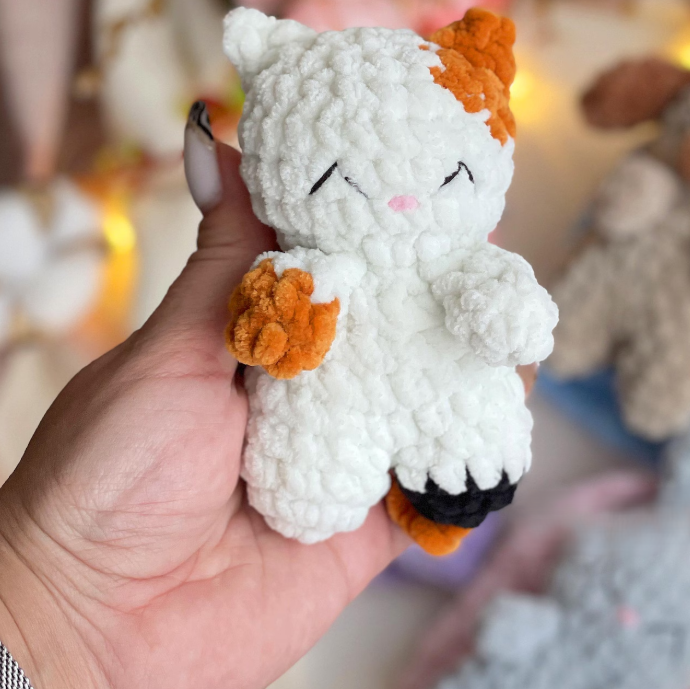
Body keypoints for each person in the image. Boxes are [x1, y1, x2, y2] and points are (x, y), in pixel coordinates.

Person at [0, 109, 536, 689]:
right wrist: (55, 583)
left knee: (470, 429)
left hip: (448, 386)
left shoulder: (470, 262)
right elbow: (272, 325)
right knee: (309, 470)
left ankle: (453, 481)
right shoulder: (316, 264)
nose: (400, 196)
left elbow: (520, 318)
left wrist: (52, 586)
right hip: (329, 413)